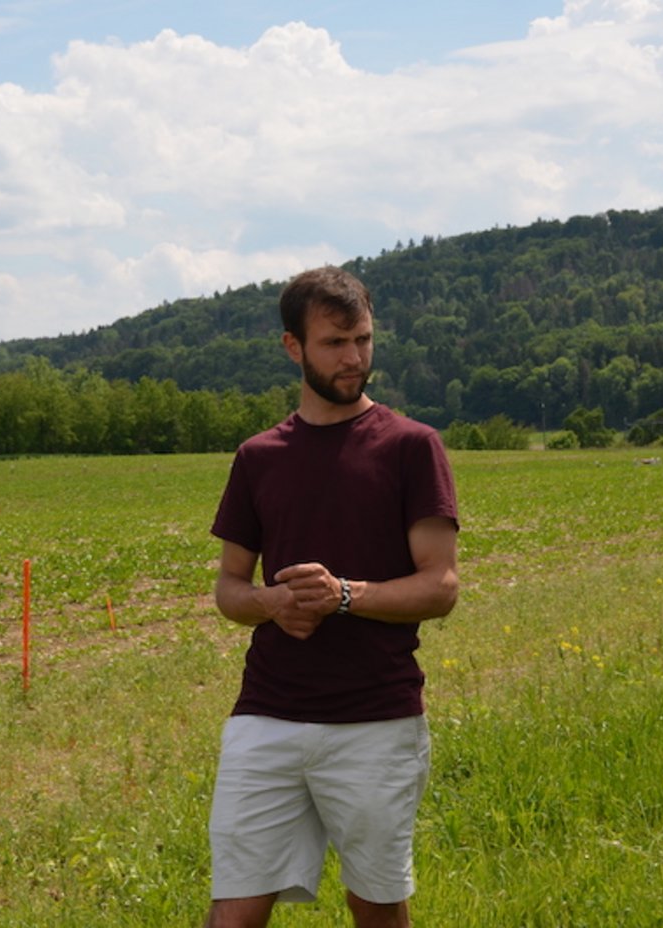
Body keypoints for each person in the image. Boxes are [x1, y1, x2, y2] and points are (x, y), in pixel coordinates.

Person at [203, 266, 460, 928]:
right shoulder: (259, 457)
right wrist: (271, 604)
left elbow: (441, 585)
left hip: (376, 718)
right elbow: (229, 589)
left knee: (376, 905)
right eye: (334, 343)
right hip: (267, 714)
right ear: (293, 347)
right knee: (235, 909)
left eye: (363, 340)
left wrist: (345, 595)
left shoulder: (411, 447)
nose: (353, 359)